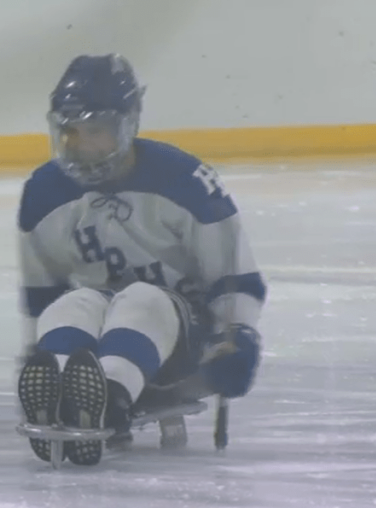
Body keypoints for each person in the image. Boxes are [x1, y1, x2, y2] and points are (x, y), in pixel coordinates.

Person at [15, 54, 267, 466]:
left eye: (94, 130)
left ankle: (108, 400)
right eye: (70, 131)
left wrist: (237, 335)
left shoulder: (185, 181)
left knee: (143, 300)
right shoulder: (44, 191)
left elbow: (233, 274)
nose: (79, 145)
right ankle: (64, 393)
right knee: (71, 304)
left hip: (183, 343)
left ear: (127, 124)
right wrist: (34, 352)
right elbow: (41, 293)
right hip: (100, 330)